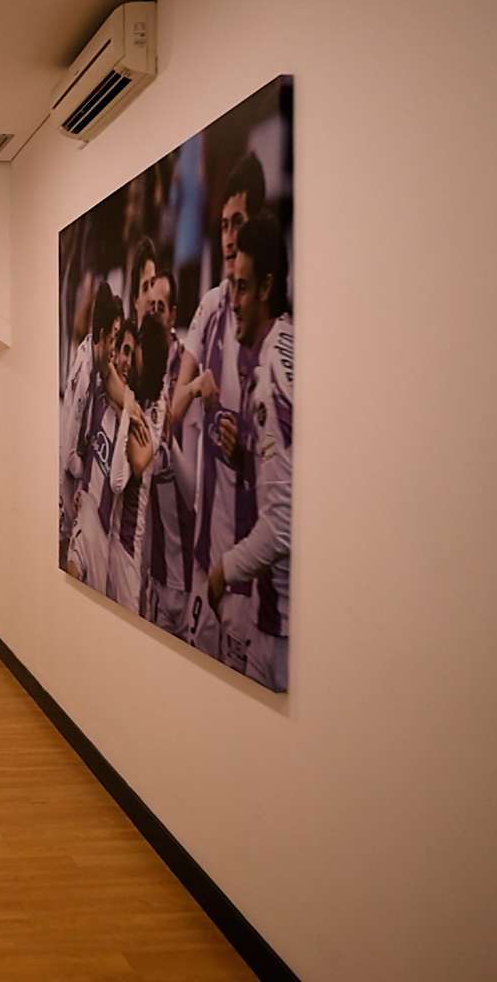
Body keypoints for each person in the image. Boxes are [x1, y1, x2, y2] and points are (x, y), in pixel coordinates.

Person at [170, 153, 265, 665]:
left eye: (240, 225)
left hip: (250, 567)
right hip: (206, 551)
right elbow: (172, 407)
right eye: (225, 225)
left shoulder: (277, 327)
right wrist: (197, 388)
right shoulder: (210, 308)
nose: (229, 238)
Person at [208, 212, 293, 690]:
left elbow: (282, 525)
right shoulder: (286, 350)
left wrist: (223, 571)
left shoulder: (270, 378)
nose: (233, 302)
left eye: (241, 288)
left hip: (278, 624)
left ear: (265, 287)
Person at [106, 315, 168, 615]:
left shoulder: (158, 404)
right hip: (108, 529)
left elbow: (140, 460)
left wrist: (129, 407)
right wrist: (128, 402)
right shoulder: (134, 392)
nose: (132, 358)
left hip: (130, 542)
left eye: (139, 348)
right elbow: (107, 375)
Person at [61, 282, 120, 571]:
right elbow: (70, 451)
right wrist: (84, 470)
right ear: (101, 336)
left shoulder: (90, 360)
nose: (115, 350)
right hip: (66, 494)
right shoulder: (85, 375)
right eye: (114, 339)